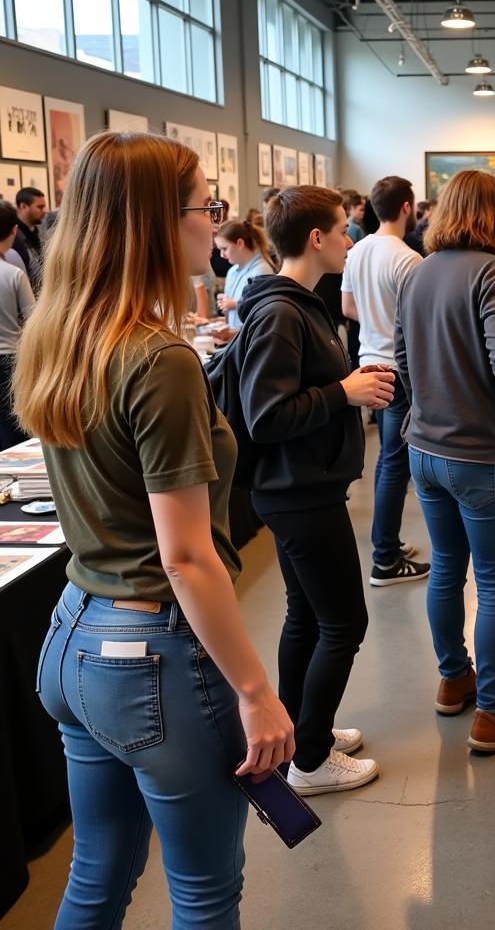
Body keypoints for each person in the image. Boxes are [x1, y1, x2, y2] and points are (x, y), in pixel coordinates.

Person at [18, 131, 294, 927]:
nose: (216, 220)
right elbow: (185, 555)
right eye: (205, 205)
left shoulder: (61, 333)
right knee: (206, 895)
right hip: (150, 655)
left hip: (73, 637)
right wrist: (255, 691)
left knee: (96, 879)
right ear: (156, 222)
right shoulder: (157, 358)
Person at [238, 185, 396, 795]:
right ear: (316, 238)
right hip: (298, 494)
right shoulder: (281, 311)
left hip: (304, 487)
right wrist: (345, 394)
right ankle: (309, 762)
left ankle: (304, 735)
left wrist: (348, 384)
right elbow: (266, 415)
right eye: (342, 229)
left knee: (305, 615)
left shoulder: (301, 303)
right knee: (343, 623)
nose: (350, 240)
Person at [395, 169, 495, 752]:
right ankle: (492, 713)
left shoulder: (418, 272)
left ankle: (454, 681)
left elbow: (401, 359)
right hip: (482, 454)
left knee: (448, 567)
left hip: (424, 449)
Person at [342, 176, 430, 587]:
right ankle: (385, 560)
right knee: (396, 464)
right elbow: (419, 322)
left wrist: (377, 325)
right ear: (408, 208)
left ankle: (387, 543)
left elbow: (347, 306)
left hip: (368, 365)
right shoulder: (408, 258)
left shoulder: (357, 250)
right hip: (398, 370)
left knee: (388, 460)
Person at [0, 201, 33, 447]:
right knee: (13, 427)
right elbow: (33, 321)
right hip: (9, 358)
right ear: (13, 231)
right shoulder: (14, 274)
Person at [215, 217, 278, 335]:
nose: (222, 255)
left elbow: (263, 313)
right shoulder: (232, 272)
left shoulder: (262, 270)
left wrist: (235, 304)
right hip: (236, 337)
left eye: (224, 249)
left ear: (240, 244)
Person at [13, 186, 47, 291]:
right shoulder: (12, 238)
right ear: (23, 206)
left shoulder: (40, 233)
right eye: (40, 207)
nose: (44, 211)